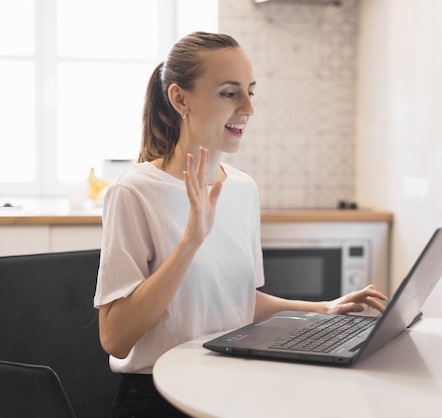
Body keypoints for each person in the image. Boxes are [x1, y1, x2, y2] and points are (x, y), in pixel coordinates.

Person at [93, 31, 388, 418]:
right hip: (158, 399)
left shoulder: (244, 189)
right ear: (180, 98)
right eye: (229, 93)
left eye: (251, 91)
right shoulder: (134, 192)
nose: (248, 108)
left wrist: (322, 309)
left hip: (228, 385)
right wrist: (190, 242)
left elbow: (236, 299)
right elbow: (115, 338)